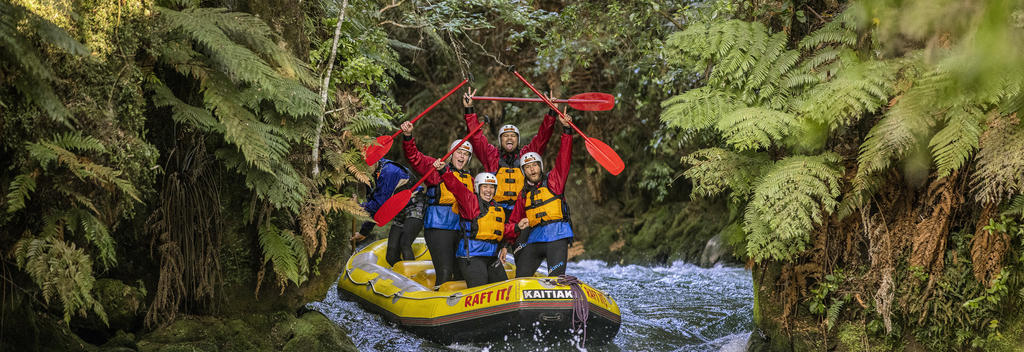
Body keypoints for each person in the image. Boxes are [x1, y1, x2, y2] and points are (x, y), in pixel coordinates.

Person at [401, 122, 475, 289]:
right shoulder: (436, 168)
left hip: (461, 230)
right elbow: (414, 157)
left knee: (461, 273)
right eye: (459, 153)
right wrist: (408, 137)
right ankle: (439, 307)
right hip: (439, 227)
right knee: (445, 271)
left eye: (466, 154)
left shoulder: (470, 180)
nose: (462, 157)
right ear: (451, 154)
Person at [461, 88, 559, 211]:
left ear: (517, 140)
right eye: (505, 136)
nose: (509, 138)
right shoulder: (491, 155)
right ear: (500, 141)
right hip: (497, 209)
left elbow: (542, 137)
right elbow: (476, 137)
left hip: (522, 210)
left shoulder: (526, 154)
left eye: (513, 136)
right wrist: (469, 110)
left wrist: (552, 112)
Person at [504, 112, 574, 278]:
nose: (532, 169)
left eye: (535, 165)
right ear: (523, 171)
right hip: (535, 239)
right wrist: (506, 242)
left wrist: (567, 131)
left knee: (556, 278)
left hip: (557, 235)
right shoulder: (524, 195)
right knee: (521, 278)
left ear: (540, 167)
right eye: (527, 167)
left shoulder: (554, 181)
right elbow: (513, 223)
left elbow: (564, 157)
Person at [434, 159, 508, 288]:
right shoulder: (470, 202)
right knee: (480, 288)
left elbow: (501, 230)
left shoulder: (498, 208)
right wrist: (443, 171)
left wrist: (505, 245)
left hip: (491, 257)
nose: (488, 191)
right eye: (485, 186)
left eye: (492, 187)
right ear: (478, 187)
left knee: (505, 289)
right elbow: (456, 187)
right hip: (472, 257)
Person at [353, 158, 425, 267]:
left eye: (367, 165)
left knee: (404, 244)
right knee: (391, 253)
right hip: (398, 208)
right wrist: (364, 232)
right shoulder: (368, 177)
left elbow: (379, 204)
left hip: (415, 204)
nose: (364, 169)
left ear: (375, 161)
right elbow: (374, 209)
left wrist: (358, 206)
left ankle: (412, 278)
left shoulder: (389, 171)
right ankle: (400, 277)